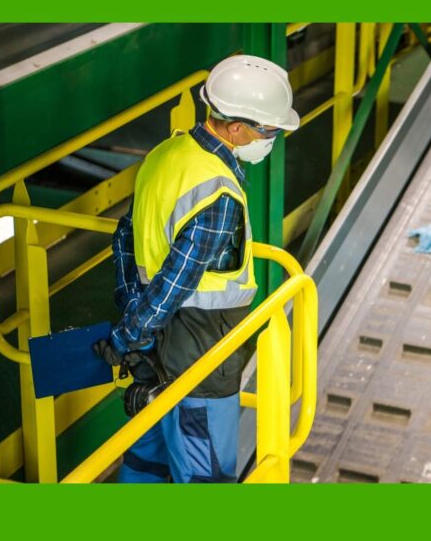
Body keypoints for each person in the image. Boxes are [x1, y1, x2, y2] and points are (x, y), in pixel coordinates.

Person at [93, 55, 299, 483]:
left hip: (153, 346)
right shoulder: (218, 193)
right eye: (270, 130)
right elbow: (176, 281)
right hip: (201, 352)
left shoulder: (165, 154)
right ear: (238, 128)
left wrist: (132, 328)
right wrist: (131, 333)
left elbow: (125, 239)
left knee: (146, 461)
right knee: (205, 475)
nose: (273, 138)